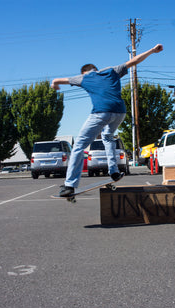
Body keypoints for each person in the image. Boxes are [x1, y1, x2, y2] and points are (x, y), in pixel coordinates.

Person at [51, 44, 163, 196]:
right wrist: (152, 50)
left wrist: (54, 84)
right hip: (120, 112)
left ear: (84, 71)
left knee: (78, 146)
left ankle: (69, 185)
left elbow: (59, 79)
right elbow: (135, 60)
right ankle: (114, 172)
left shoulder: (83, 77)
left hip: (101, 113)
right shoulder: (112, 70)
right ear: (95, 68)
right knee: (108, 137)